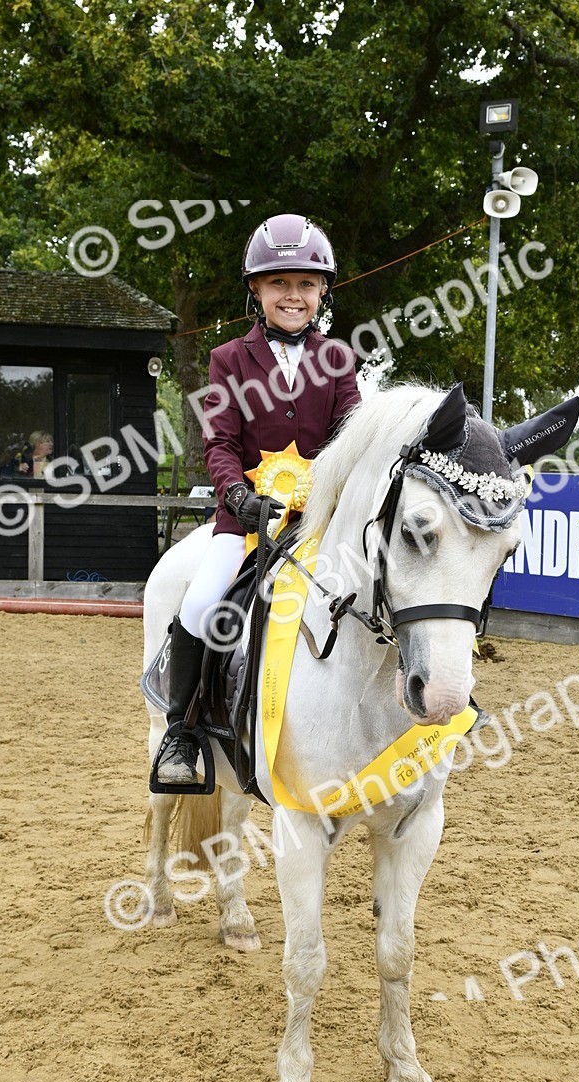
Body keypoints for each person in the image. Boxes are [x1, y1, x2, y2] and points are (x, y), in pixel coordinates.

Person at [156, 213, 361, 785]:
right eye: (279, 284)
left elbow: (353, 437)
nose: (293, 296)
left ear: (323, 291)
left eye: (305, 284)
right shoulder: (228, 359)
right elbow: (219, 442)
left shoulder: (339, 359)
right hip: (246, 522)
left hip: (319, 523)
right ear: (256, 289)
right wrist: (238, 496)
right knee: (199, 606)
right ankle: (182, 732)